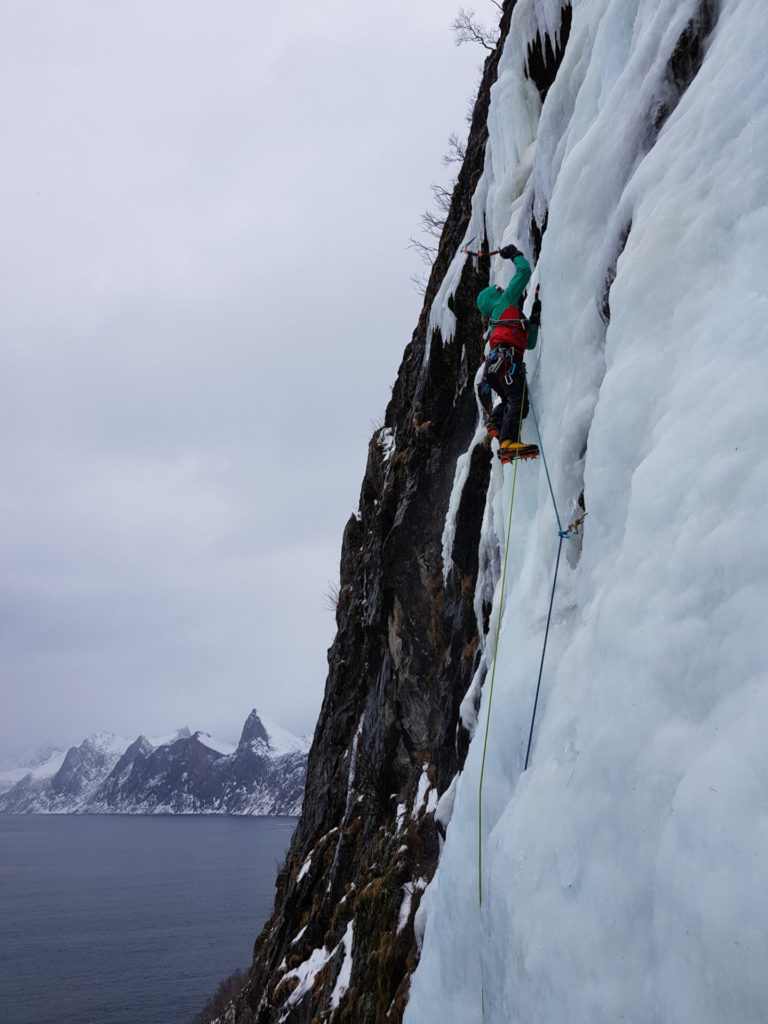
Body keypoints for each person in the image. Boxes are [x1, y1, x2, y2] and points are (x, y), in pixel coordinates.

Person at [476, 243, 541, 463]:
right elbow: (524, 272)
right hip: (508, 362)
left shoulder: (500, 318)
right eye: (499, 290)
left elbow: (529, 343)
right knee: (518, 403)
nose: (503, 290)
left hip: (496, 368)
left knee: (515, 404)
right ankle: (507, 443)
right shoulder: (504, 303)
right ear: (496, 295)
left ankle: (496, 421)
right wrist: (515, 255)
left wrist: (532, 322)